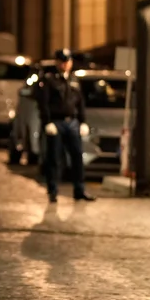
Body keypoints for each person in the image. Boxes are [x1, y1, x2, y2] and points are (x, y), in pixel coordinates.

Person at [37, 49, 96, 203]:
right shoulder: (50, 80)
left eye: (67, 61)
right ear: (57, 62)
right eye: (62, 61)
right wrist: (47, 122)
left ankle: (79, 190)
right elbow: (44, 104)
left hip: (72, 123)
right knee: (55, 158)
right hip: (56, 122)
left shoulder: (74, 80)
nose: (65, 64)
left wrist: (83, 121)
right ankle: (53, 191)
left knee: (77, 157)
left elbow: (80, 103)